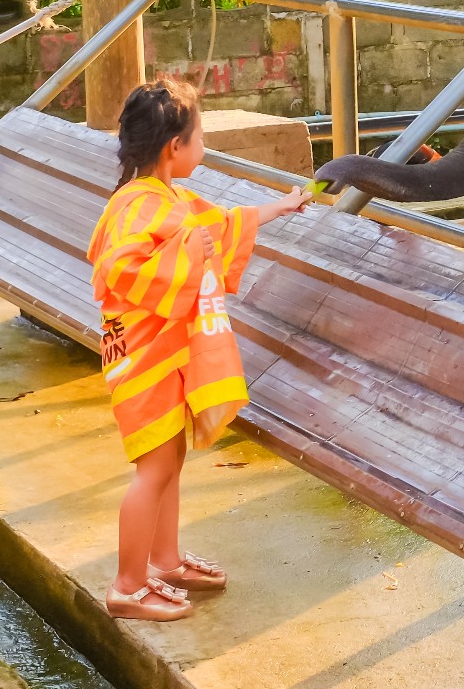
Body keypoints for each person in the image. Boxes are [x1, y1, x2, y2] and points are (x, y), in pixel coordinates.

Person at [88, 78, 310, 621]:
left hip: (158, 357)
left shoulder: (163, 197)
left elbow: (220, 224)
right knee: (154, 469)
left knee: (170, 460)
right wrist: (190, 251)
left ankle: (164, 561)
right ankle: (127, 585)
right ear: (174, 147)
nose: (203, 145)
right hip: (142, 362)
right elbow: (116, 270)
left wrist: (279, 209)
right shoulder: (139, 207)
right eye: (200, 136)